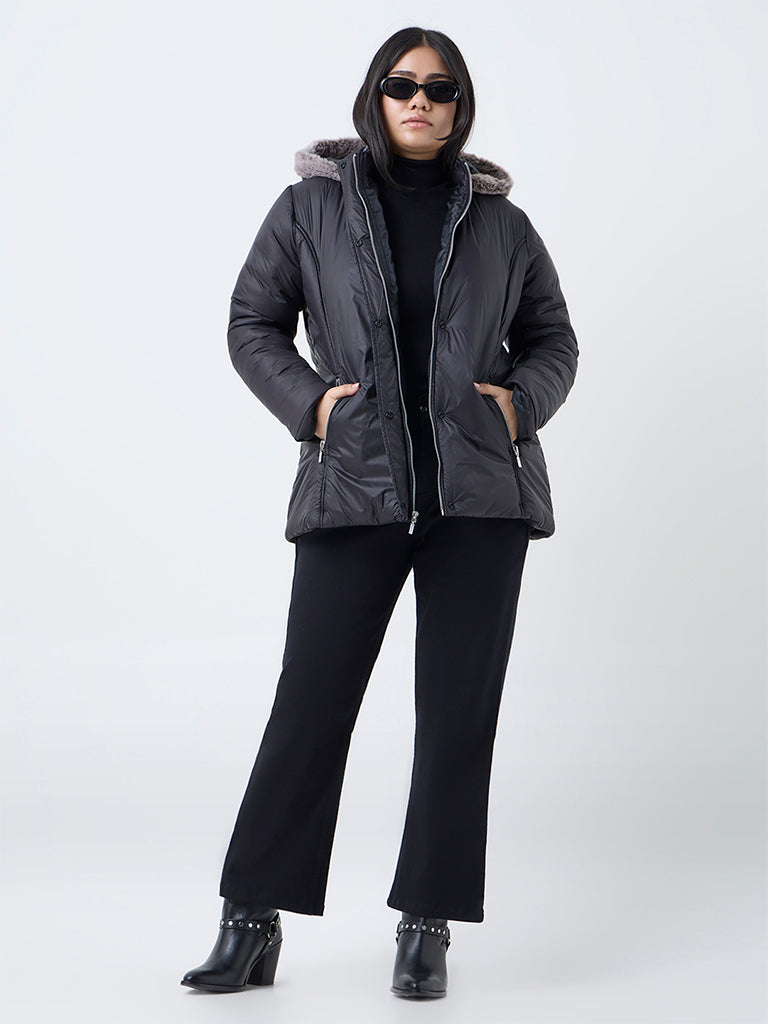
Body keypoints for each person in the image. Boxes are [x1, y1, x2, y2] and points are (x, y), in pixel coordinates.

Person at [181, 25, 578, 1000]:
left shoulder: (502, 224)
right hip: (353, 491)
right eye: (402, 85)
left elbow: (554, 338)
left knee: (455, 718)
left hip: (478, 502)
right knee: (309, 704)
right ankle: (250, 919)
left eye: (440, 89)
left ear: (460, 106)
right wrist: (312, 406)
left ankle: (426, 924)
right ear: (376, 96)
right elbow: (251, 322)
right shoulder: (309, 208)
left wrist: (520, 404)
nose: (420, 102)